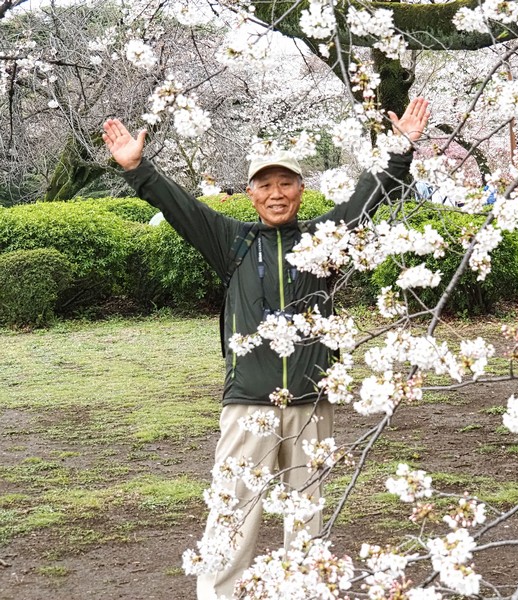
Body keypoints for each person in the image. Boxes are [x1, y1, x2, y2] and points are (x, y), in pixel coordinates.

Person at [102, 97, 430, 600]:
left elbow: (370, 197)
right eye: (266, 185)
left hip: (310, 404)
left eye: (286, 183)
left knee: (308, 513)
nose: (277, 194)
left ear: (301, 189)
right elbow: (180, 208)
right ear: (251, 193)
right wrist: (137, 169)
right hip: (248, 405)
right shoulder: (232, 242)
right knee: (232, 508)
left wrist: (401, 147)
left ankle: (307, 591)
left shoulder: (324, 240)